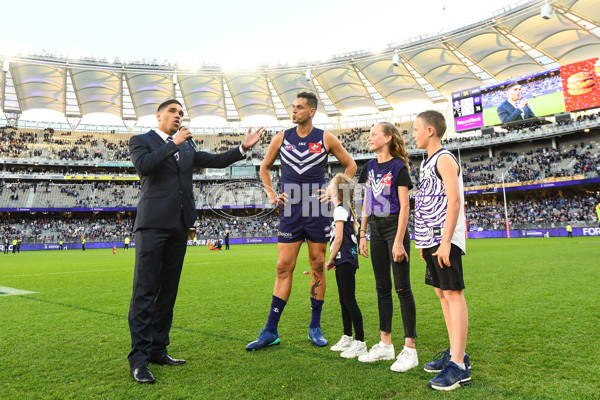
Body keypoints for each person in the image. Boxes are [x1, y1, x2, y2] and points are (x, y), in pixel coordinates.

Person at [127, 99, 264, 384]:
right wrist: (173, 143)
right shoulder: (142, 141)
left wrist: (242, 148)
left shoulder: (187, 146)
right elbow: (145, 167)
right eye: (173, 112)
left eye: (181, 113)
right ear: (159, 116)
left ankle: (157, 349)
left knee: (168, 291)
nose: (178, 116)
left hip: (180, 224)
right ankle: (138, 359)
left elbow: (213, 161)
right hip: (152, 224)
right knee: (145, 290)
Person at [246, 92, 356, 351]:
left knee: (318, 265)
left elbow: (350, 166)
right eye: (292, 107)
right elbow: (264, 167)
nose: (293, 111)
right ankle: (270, 330)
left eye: (299, 108)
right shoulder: (282, 138)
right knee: (283, 267)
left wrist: (334, 190)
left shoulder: (325, 138)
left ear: (312, 112)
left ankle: (314, 327)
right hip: (291, 212)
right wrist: (272, 194)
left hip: (318, 211)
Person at [413, 110, 471, 391]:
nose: (413, 134)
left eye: (416, 129)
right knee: (441, 293)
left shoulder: (445, 159)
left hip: (444, 237)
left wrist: (446, 240)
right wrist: (424, 242)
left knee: (453, 292)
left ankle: (459, 365)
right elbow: (426, 202)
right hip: (431, 238)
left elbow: (455, 201)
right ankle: (454, 352)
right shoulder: (426, 163)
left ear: (430, 131)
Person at [357, 122, 418, 373]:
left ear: (388, 138)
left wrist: (398, 240)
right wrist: (362, 233)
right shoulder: (368, 167)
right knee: (381, 287)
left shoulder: (398, 167)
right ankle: (385, 345)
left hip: (395, 228)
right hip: (376, 230)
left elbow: (405, 206)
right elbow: (366, 202)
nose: (369, 138)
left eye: (373, 134)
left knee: (402, 287)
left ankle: (410, 349)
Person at [324, 174, 365, 359]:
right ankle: (347, 336)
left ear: (338, 190)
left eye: (331, 185)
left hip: (345, 258)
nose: (329, 188)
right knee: (343, 300)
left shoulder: (340, 209)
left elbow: (339, 238)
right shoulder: (342, 208)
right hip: (344, 259)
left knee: (349, 301)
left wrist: (330, 259)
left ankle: (360, 342)